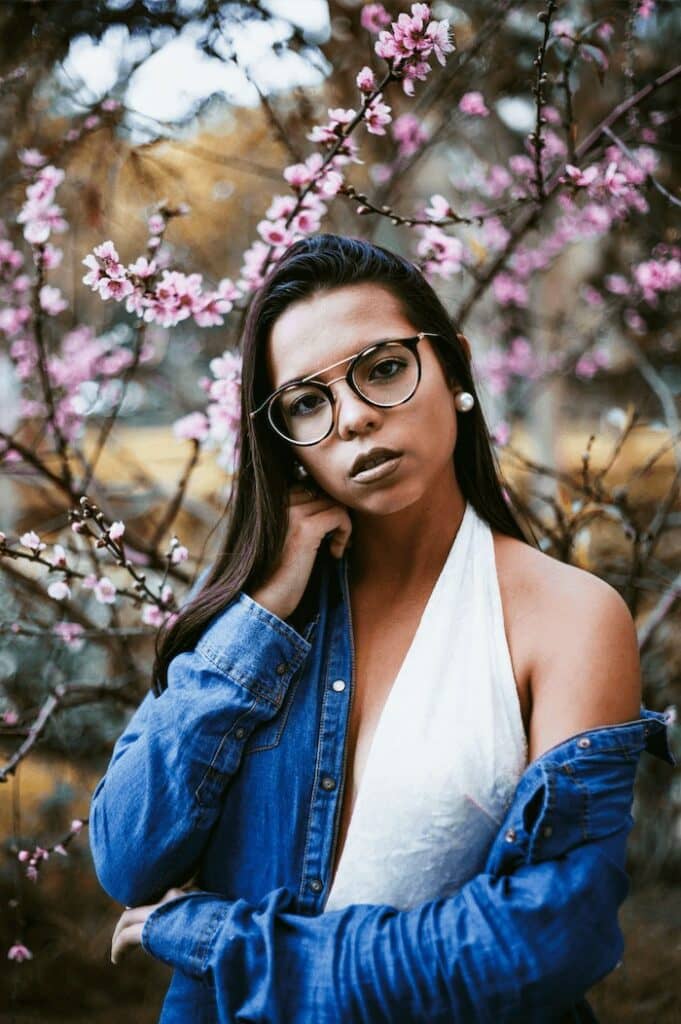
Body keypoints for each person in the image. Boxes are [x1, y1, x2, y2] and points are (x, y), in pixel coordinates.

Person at [91, 234, 673, 1023]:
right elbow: (128, 857)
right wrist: (259, 617)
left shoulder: (567, 618)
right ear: (281, 438)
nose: (356, 418)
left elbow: (544, 941)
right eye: (307, 401)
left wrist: (226, 942)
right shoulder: (250, 615)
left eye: (384, 369)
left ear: (453, 368)